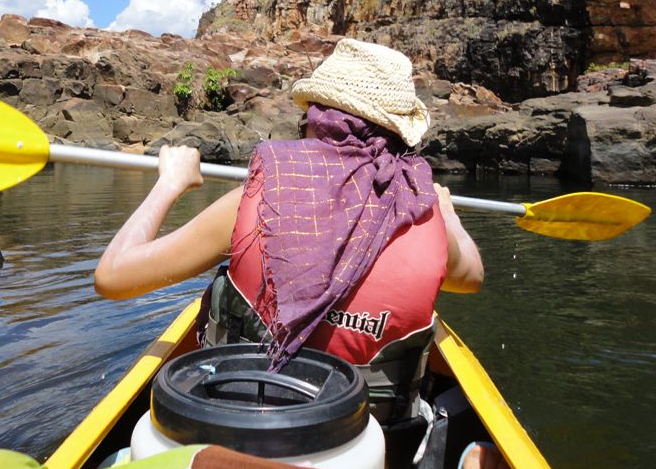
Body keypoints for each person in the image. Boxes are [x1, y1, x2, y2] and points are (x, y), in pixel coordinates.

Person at [94, 38, 483, 415]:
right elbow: (471, 277)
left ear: (317, 121)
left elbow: (113, 276)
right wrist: (447, 213)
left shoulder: (257, 201)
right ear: (398, 136)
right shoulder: (426, 216)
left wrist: (169, 183)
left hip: (237, 427)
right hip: (365, 446)